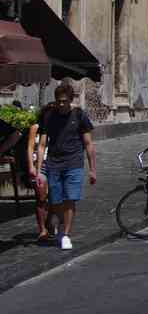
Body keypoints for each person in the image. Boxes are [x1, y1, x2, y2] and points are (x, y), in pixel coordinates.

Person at [36, 82, 96, 251]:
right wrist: (39, 170)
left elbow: (88, 143)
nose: (61, 104)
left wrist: (92, 169)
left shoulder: (79, 115)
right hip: (54, 164)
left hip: (74, 164)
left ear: (70, 100)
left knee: (70, 199)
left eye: (64, 101)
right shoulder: (49, 116)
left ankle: (66, 235)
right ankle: (58, 224)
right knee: (55, 201)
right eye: (58, 101)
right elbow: (42, 145)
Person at [25, 102, 56, 242]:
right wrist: (31, 166)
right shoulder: (35, 127)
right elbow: (30, 148)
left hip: (55, 165)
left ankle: (49, 222)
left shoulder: (57, 128)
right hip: (39, 165)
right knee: (41, 198)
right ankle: (42, 229)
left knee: (55, 198)